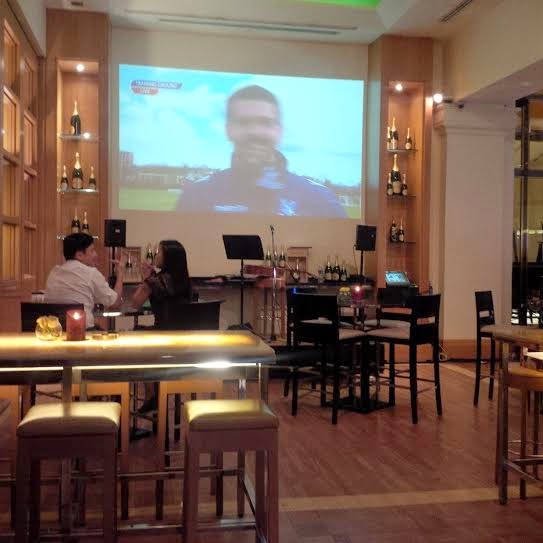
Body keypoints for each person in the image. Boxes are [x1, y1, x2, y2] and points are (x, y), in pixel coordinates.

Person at [177, 84, 347, 217]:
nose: (254, 132)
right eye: (243, 122)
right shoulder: (196, 196)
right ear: (228, 130)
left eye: (265, 123)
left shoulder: (320, 199)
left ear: (279, 131)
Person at [131, 240, 193, 414]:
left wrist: (146, 278)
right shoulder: (186, 281)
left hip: (161, 339)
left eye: (159, 252)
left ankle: (152, 394)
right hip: (183, 341)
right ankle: (159, 390)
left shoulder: (154, 282)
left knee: (135, 337)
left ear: (168, 258)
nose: (155, 256)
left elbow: (135, 303)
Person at [44, 233, 125, 329]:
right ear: (79, 255)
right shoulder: (90, 273)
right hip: (82, 332)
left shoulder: (54, 272)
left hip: (54, 331)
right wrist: (120, 273)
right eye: (92, 250)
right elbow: (115, 303)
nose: (96, 254)